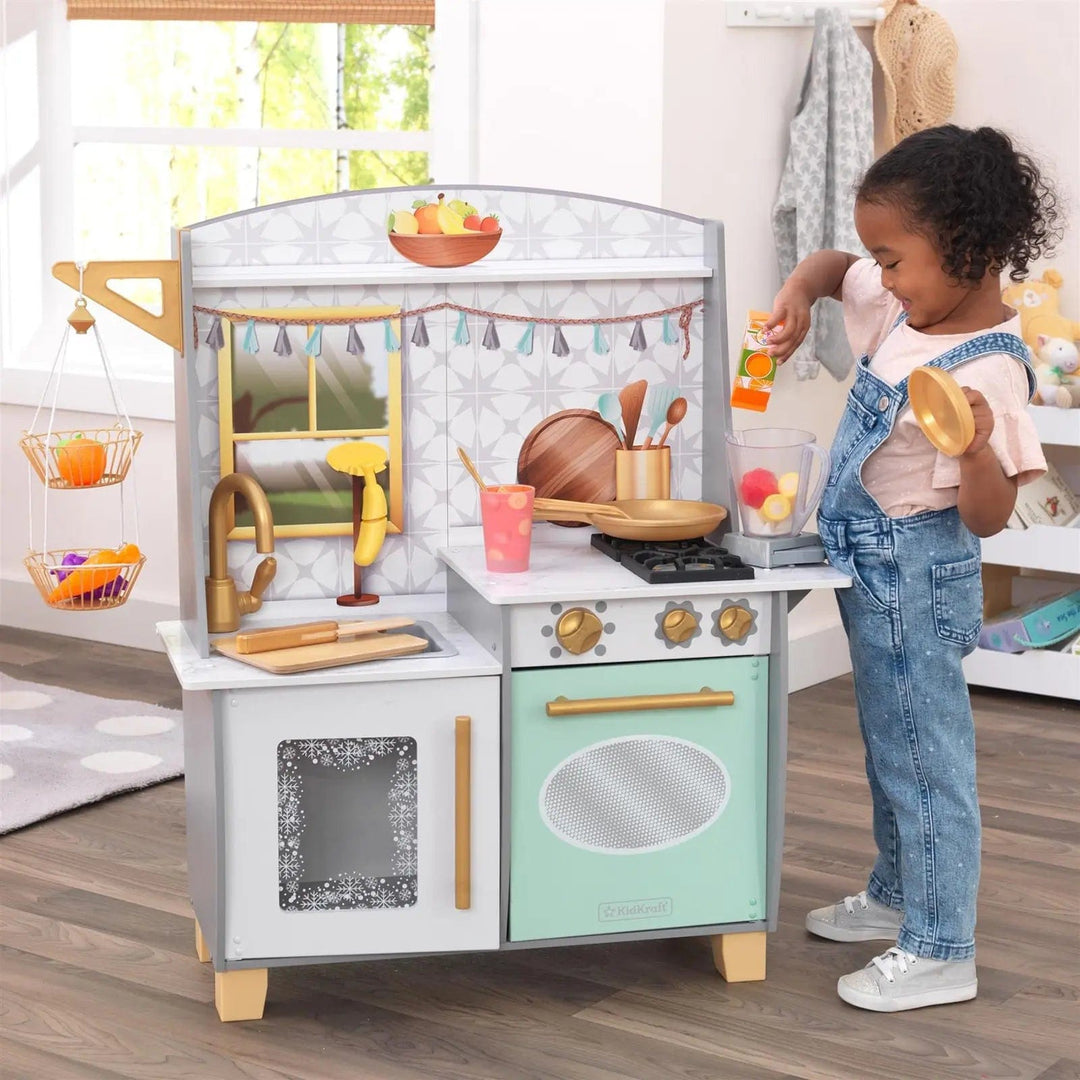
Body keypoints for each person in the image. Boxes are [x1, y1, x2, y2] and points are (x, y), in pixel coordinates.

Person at [766, 125, 1057, 1012]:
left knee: (927, 761)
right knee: (889, 747)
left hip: (919, 570)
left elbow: (990, 516)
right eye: (880, 261)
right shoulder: (904, 310)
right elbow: (825, 266)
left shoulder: (992, 373)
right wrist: (794, 295)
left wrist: (971, 447)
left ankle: (940, 948)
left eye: (894, 260)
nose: (879, 277)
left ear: (967, 252)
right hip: (869, 564)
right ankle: (896, 892)